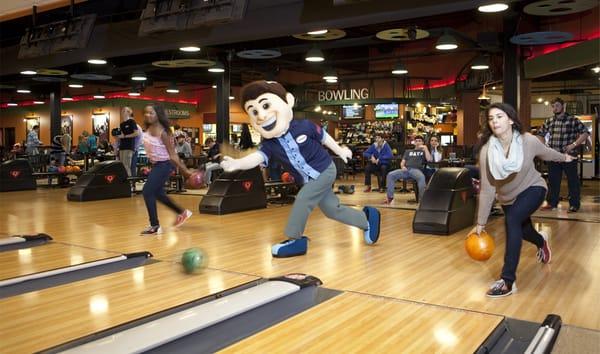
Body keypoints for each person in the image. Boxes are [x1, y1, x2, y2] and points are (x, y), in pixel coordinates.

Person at [220, 80, 381, 258]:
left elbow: (324, 137)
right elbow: (256, 158)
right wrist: (237, 163)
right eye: (254, 111)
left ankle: (295, 240)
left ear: (288, 101)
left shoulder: (303, 125)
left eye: (266, 105)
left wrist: (340, 150)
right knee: (332, 210)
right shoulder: (269, 144)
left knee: (303, 198)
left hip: (325, 169)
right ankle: (367, 220)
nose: (262, 116)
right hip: (308, 179)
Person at [476, 103, 572, 297]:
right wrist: (480, 223)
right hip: (508, 198)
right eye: (491, 118)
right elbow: (487, 189)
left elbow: (548, 153)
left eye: (500, 116)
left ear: (511, 120)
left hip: (533, 188)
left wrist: (564, 157)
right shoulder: (487, 151)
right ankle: (541, 241)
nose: (495, 121)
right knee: (523, 230)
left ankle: (507, 281)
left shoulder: (528, 141)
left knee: (511, 222)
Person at [140, 104, 193, 235]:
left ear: (158, 115)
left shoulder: (164, 132)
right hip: (157, 164)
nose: (148, 115)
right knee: (158, 194)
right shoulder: (147, 129)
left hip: (166, 164)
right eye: (146, 113)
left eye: (151, 113)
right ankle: (182, 212)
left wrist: (185, 171)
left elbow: (173, 155)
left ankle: (154, 225)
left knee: (147, 191)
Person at [537, 97, 589, 213]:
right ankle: (552, 203)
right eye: (553, 106)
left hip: (568, 156)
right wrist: (544, 147)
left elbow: (585, 133)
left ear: (563, 106)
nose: (555, 108)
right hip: (553, 156)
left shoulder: (572, 120)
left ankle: (574, 205)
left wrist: (574, 144)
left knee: (572, 181)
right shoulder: (549, 121)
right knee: (553, 181)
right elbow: (540, 134)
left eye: (557, 106)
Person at [384, 135, 431, 204]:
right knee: (390, 175)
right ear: (414, 142)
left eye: (419, 141)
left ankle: (422, 200)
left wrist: (426, 148)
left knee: (421, 178)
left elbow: (429, 159)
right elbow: (402, 162)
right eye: (416, 141)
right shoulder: (408, 151)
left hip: (416, 170)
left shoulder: (424, 152)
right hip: (406, 170)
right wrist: (402, 166)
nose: (418, 143)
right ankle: (390, 198)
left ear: (423, 143)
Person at [116, 107, 140, 176]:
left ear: (129, 112)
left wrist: (125, 136)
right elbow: (121, 136)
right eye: (122, 110)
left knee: (126, 166)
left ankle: (129, 185)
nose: (122, 112)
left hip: (129, 147)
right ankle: (124, 183)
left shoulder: (132, 122)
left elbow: (136, 133)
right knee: (122, 166)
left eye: (124, 111)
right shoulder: (121, 124)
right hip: (122, 147)